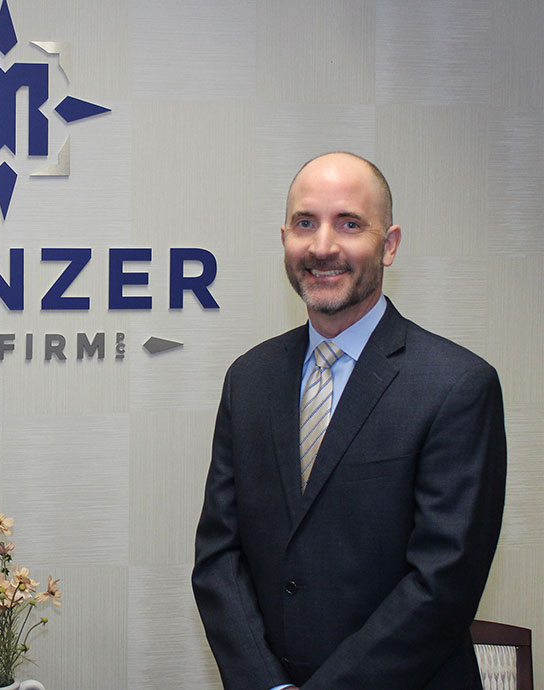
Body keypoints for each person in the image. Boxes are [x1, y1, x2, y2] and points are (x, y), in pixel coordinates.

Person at [192, 152, 506, 689]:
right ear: (285, 238)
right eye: (305, 223)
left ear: (390, 244)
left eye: (350, 224)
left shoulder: (457, 385)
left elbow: (442, 584)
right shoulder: (249, 379)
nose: (322, 247)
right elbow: (219, 557)